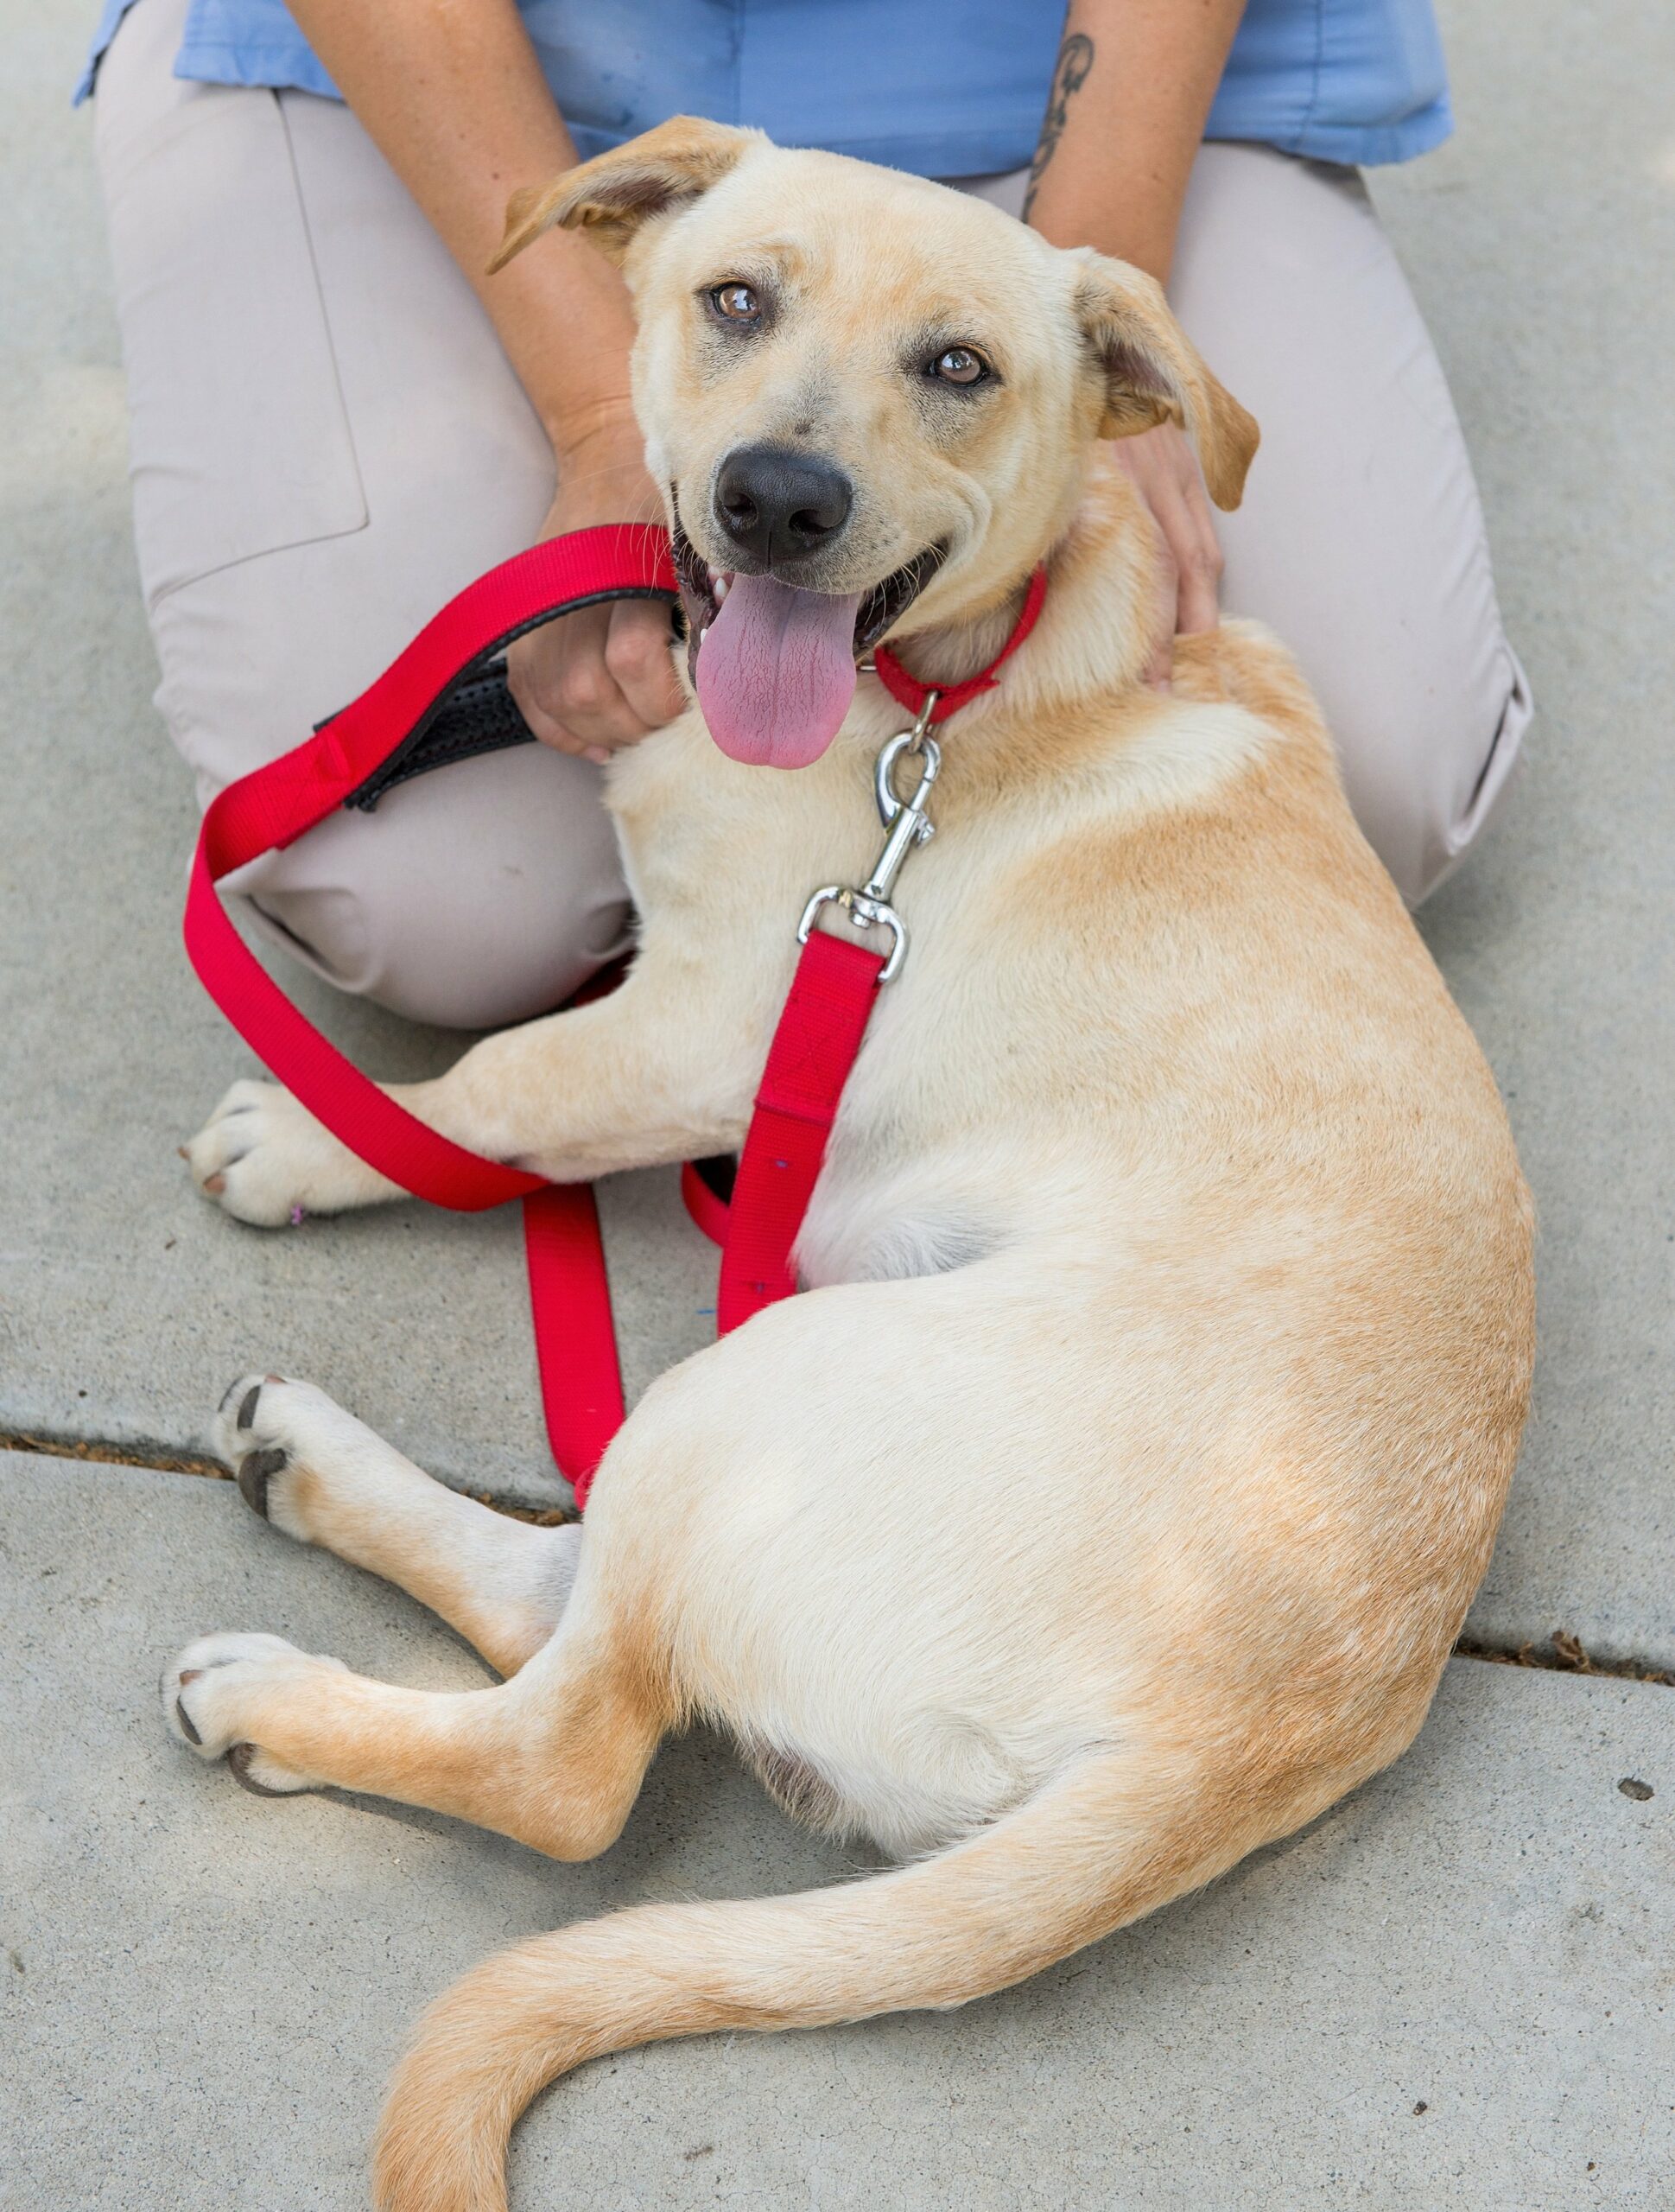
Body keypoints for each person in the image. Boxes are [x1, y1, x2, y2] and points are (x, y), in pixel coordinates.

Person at [79, 0, 1530, 1028]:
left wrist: (1066, 335)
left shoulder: (1078, 324)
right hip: (457, 51)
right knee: (443, 916)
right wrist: (603, 422)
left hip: (1038, 50)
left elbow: (1073, 332)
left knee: (1367, 794)